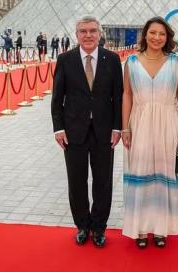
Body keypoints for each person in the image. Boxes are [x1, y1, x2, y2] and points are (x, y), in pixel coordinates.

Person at [51, 15, 123, 248]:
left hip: (103, 131)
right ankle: (82, 225)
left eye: (93, 30)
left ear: (99, 34)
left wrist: (117, 127)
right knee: (77, 181)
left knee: (103, 182)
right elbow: (57, 98)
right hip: (73, 131)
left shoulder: (112, 59)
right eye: (83, 31)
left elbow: (118, 97)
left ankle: (99, 227)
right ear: (76, 34)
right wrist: (58, 128)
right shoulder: (65, 59)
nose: (88, 35)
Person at [121, 16, 178, 248]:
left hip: (169, 121)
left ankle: (161, 229)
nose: (157, 37)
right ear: (145, 35)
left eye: (162, 34)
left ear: (167, 37)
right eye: (153, 33)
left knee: (163, 172)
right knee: (141, 170)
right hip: (139, 121)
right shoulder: (131, 62)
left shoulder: (175, 62)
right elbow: (127, 95)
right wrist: (124, 127)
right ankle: (139, 228)